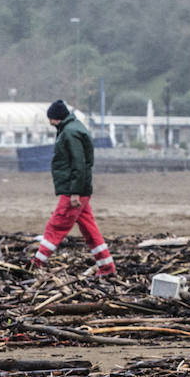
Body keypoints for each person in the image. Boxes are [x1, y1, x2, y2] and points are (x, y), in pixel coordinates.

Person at [31, 99, 115, 277]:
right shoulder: (74, 128)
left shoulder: (69, 132)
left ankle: (36, 263)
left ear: (57, 117)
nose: (49, 122)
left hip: (74, 190)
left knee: (56, 225)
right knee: (90, 230)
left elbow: (79, 163)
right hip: (79, 188)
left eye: (51, 119)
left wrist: (75, 191)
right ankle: (107, 267)